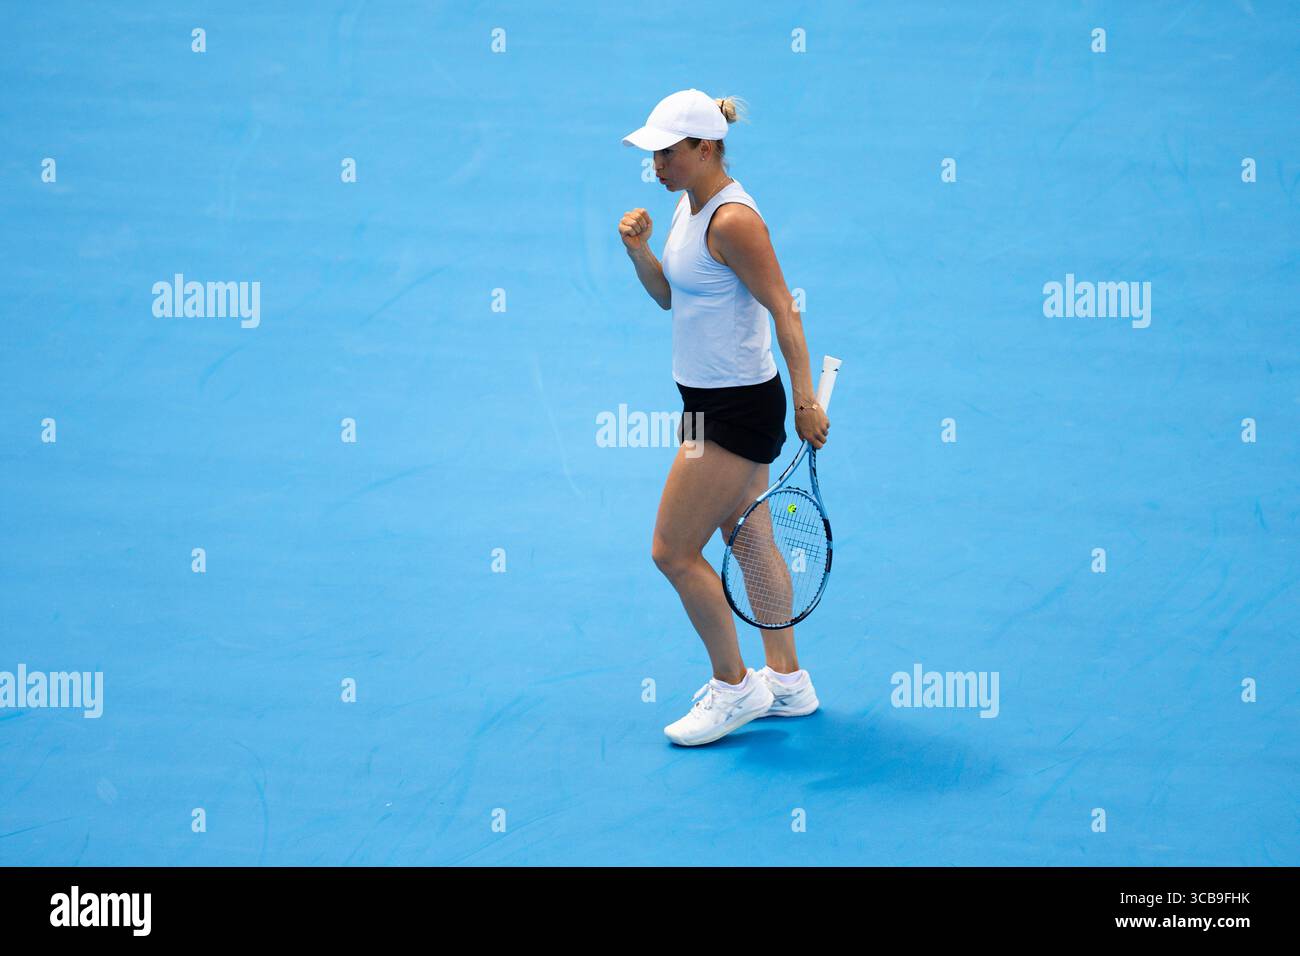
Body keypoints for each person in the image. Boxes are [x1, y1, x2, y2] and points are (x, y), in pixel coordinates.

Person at [619, 88, 831, 746]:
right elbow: (669, 299)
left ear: (704, 149)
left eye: (666, 153)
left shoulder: (734, 221)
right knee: (747, 537)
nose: (656, 165)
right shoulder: (688, 209)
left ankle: (735, 687)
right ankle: (788, 683)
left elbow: (783, 309)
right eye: (652, 154)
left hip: (736, 410)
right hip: (705, 401)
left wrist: (805, 398)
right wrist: (639, 251)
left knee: (674, 551)